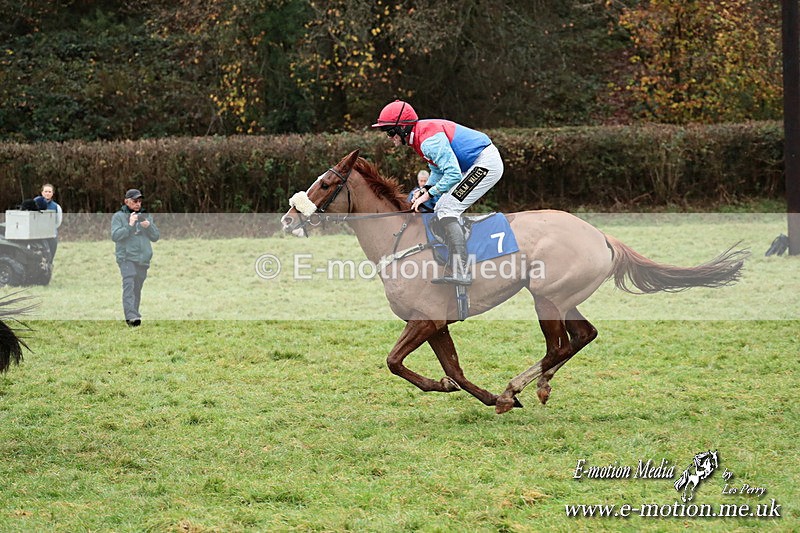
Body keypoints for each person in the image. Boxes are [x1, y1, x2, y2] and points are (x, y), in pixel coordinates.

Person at [372, 99, 504, 285]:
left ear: (402, 128)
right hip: (472, 163)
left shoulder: (427, 141)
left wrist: (428, 194)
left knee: (447, 209)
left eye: (390, 131)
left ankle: (462, 270)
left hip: (485, 163)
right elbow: (438, 170)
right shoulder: (418, 137)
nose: (388, 137)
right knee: (441, 207)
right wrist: (425, 188)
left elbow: (453, 174)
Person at [110, 189, 159, 327]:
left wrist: (149, 226)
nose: (138, 204)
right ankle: (130, 316)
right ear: (126, 201)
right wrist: (130, 225)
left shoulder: (146, 216)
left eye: (139, 201)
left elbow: (155, 237)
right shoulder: (118, 217)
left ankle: (135, 317)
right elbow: (115, 236)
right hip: (126, 257)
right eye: (134, 201)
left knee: (137, 287)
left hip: (143, 259)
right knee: (129, 284)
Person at [40, 183, 62, 259]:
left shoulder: (56, 207)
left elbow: (58, 222)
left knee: (50, 256)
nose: (47, 193)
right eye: (46, 191)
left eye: (49, 192)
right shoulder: (35, 205)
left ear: (52, 193)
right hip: (38, 234)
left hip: (52, 235)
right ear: (42, 193)